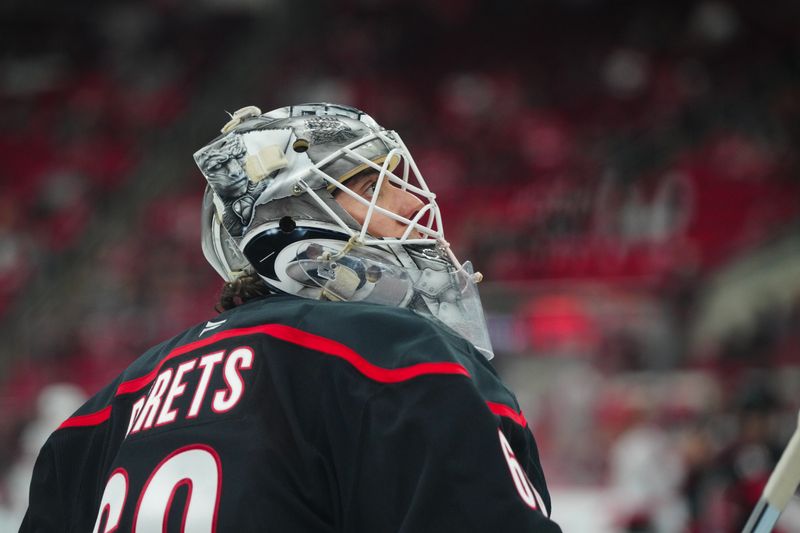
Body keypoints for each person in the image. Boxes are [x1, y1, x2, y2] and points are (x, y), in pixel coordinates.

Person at [21, 103, 562, 532]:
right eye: (373, 186)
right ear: (290, 218)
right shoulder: (396, 356)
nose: (410, 203)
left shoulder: (101, 412)